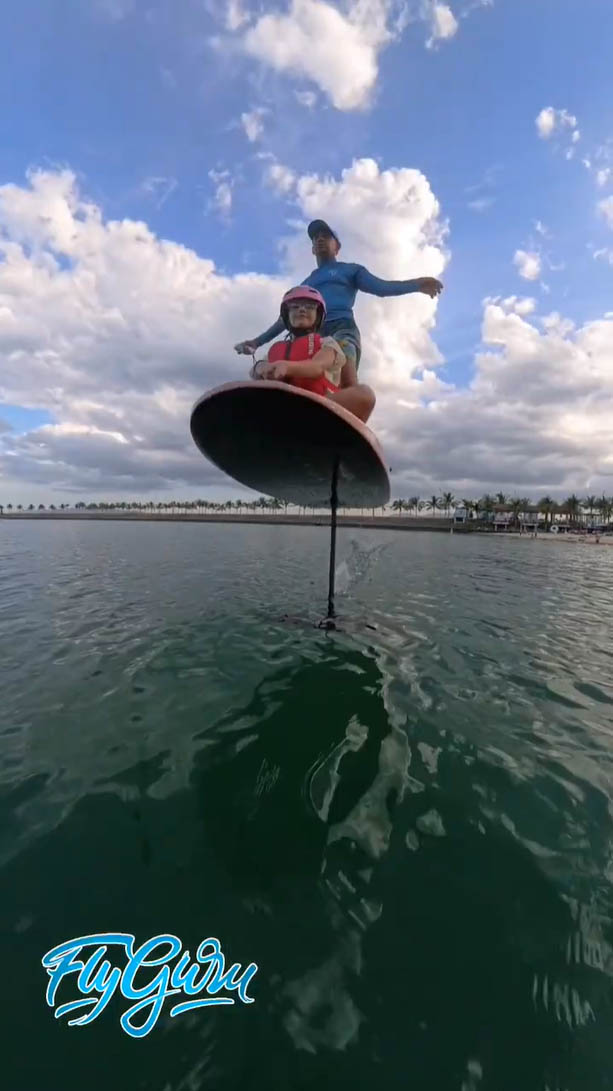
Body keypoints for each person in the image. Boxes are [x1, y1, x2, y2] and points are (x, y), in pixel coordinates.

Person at [235, 219, 443, 384]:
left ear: (337, 246)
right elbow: (285, 319)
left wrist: (416, 285)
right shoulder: (307, 284)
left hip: (342, 328)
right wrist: (256, 342)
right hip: (313, 332)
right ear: (312, 249)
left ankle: (350, 412)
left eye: (326, 236)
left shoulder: (351, 270)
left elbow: (382, 288)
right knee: (300, 374)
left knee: (347, 376)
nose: (320, 239)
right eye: (315, 238)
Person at [250, 285, 375, 423]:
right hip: (281, 406)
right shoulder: (275, 350)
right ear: (286, 314)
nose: (302, 309)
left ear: (318, 315)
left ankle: (321, 427)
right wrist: (259, 367)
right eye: (295, 306)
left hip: (318, 407)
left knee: (365, 394)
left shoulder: (327, 343)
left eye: (310, 306)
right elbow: (255, 372)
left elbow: (317, 367)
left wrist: (286, 367)